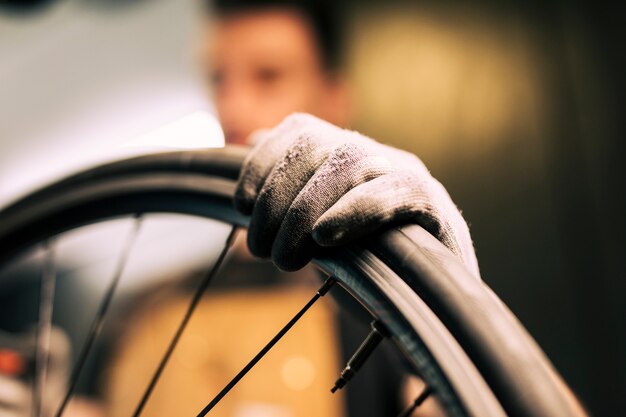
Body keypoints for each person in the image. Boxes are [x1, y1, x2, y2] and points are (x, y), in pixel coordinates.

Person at [102, 1, 476, 416]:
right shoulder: (145, 308)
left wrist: (446, 299)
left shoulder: (373, 322)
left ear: (333, 100)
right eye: (219, 81)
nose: (233, 110)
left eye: (269, 76)